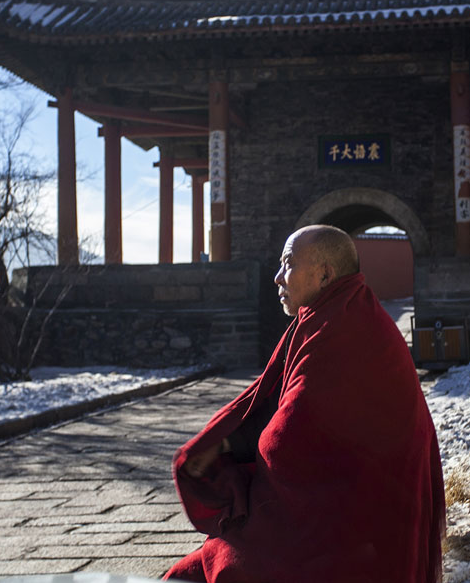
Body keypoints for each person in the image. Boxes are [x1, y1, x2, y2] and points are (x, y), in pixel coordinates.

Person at [164, 224, 446, 583]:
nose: (278, 278)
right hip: (341, 512)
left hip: (351, 526)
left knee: (205, 572)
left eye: (287, 265)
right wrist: (224, 442)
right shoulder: (328, 316)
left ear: (325, 273)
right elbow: (277, 401)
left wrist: (239, 453)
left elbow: (294, 435)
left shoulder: (347, 328)